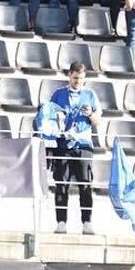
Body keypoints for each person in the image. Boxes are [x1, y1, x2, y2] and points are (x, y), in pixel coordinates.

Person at [44, 61, 100, 235]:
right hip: (63, 145)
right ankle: (61, 222)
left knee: (85, 184)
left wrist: (90, 114)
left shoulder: (91, 95)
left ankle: (87, 222)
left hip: (83, 145)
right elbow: (48, 118)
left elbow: (98, 122)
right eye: (75, 78)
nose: (78, 82)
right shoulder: (58, 94)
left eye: (81, 79)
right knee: (61, 184)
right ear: (69, 76)